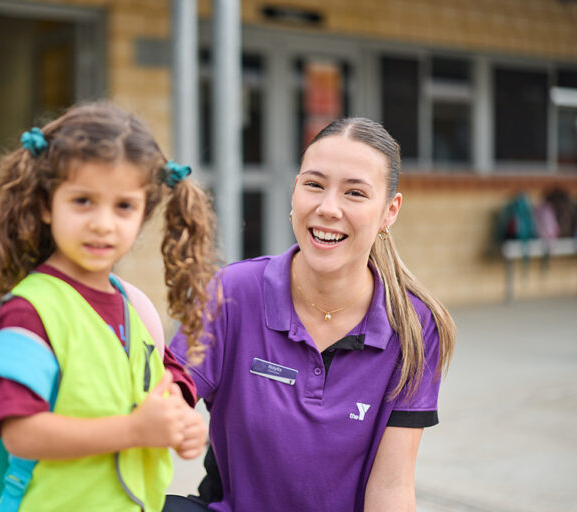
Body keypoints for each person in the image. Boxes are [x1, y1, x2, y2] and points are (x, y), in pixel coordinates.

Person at [166, 117, 456, 512]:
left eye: (355, 193)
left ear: (390, 211)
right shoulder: (231, 292)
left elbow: (391, 486)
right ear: (294, 192)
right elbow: (165, 399)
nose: (328, 208)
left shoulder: (415, 325)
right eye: (314, 185)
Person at [0, 102, 219, 512]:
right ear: (47, 205)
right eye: (83, 201)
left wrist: (179, 419)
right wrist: (135, 430)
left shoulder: (130, 304)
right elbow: (20, 433)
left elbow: (162, 380)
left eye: (123, 206)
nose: (103, 223)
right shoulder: (29, 309)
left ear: (144, 214)